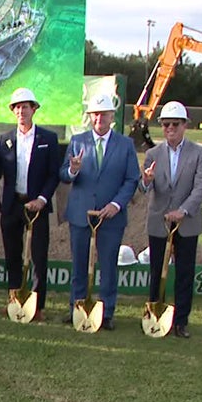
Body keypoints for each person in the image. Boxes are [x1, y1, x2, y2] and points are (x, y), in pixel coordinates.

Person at [60, 93, 140, 330]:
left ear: (112, 117)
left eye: (103, 114)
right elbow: (63, 175)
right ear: (89, 117)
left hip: (111, 216)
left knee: (107, 266)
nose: (99, 119)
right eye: (95, 114)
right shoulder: (77, 141)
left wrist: (116, 204)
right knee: (80, 265)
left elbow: (132, 179)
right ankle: (77, 306)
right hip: (80, 214)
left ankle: (106, 313)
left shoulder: (125, 145)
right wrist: (73, 170)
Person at [0, 88, 61, 320]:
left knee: (38, 257)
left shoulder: (48, 138)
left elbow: (53, 174)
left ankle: (38, 307)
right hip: (11, 206)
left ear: (34, 109)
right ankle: (14, 302)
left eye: (25, 106)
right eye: (17, 107)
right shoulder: (5, 139)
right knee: (12, 256)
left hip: (38, 206)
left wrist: (42, 200)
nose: (21, 111)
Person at [140, 101, 202, 338]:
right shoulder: (152, 154)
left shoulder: (199, 153)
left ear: (184, 125)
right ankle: (154, 315)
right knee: (156, 270)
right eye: (166, 124)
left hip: (187, 223)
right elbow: (143, 188)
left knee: (184, 273)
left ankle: (181, 322)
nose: (170, 128)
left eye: (175, 124)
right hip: (159, 222)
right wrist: (147, 181)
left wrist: (184, 210)